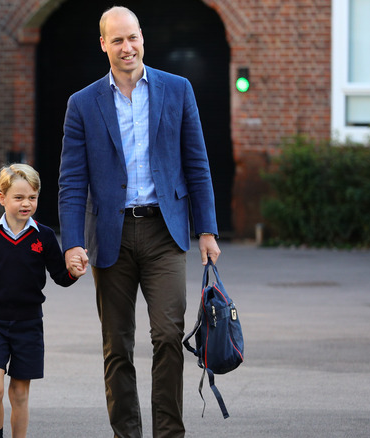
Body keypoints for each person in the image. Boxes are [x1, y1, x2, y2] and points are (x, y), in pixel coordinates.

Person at [58, 6, 222, 438]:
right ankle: (126, 434)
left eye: (132, 38)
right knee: (118, 346)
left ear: (142, 38)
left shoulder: (177, 89)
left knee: (168, 335)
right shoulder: (82, 104)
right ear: (103, 45)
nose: (126, 47)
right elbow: (72, 181)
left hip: (164, 231)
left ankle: (169, 432)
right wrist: (73, 242)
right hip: (109, 236)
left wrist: (206, 229)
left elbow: (197, 163)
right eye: (117, 40)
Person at [0, 164, 86, 438]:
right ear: (2, 198)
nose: (26, 203)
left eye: (32, 198)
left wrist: (74, 273)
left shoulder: (43, 236)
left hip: (29, 325)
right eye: (19, 197)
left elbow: (60, 276)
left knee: (20, 394)